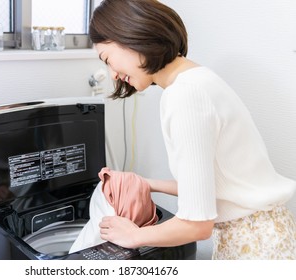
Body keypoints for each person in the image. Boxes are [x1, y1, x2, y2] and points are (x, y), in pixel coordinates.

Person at [90, 0, 296, 259]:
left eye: (107, 59)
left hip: (255, 246)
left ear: (131, 34)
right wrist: (147, 184)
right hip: (265, 236)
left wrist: (134, 235)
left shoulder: (184, 95)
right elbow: (213, 183)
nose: (113, 75)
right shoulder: (199, 79)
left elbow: (196, 224)